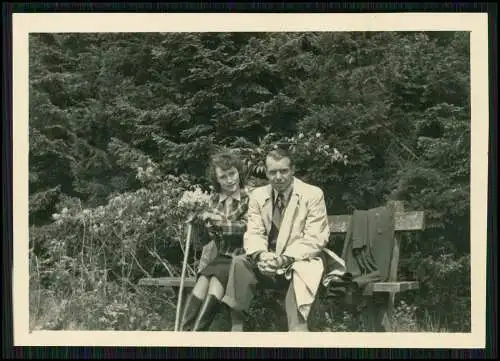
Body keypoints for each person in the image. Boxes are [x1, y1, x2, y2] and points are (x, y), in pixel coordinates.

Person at [221, 147, 336, 332]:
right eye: (273, 172)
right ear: (266, 173)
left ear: (293, 170)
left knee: (303, 270)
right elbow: (254, 232)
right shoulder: (258, 196)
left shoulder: (312, 195)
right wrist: (261, 256)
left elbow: (315, 239)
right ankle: (236, 329)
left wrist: (283, 259)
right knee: (239, 263)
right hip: (268, 262)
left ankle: (297, 331)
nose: (278, 177)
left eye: (283, 171)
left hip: (300, 259)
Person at [179, 151, 250, 331]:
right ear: (217, 180)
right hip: (221, 257)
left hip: (241, 257)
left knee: (216, 280)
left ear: (239, 173)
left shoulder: (249, 198)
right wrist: (199, 222)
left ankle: (197, 334)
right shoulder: (214, 200)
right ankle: (185, 334)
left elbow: (247, 228)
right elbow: (205, 240)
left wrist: (222, 224)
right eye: (223, 177)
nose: (229, 180)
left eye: (232, 174)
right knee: (202, 282)